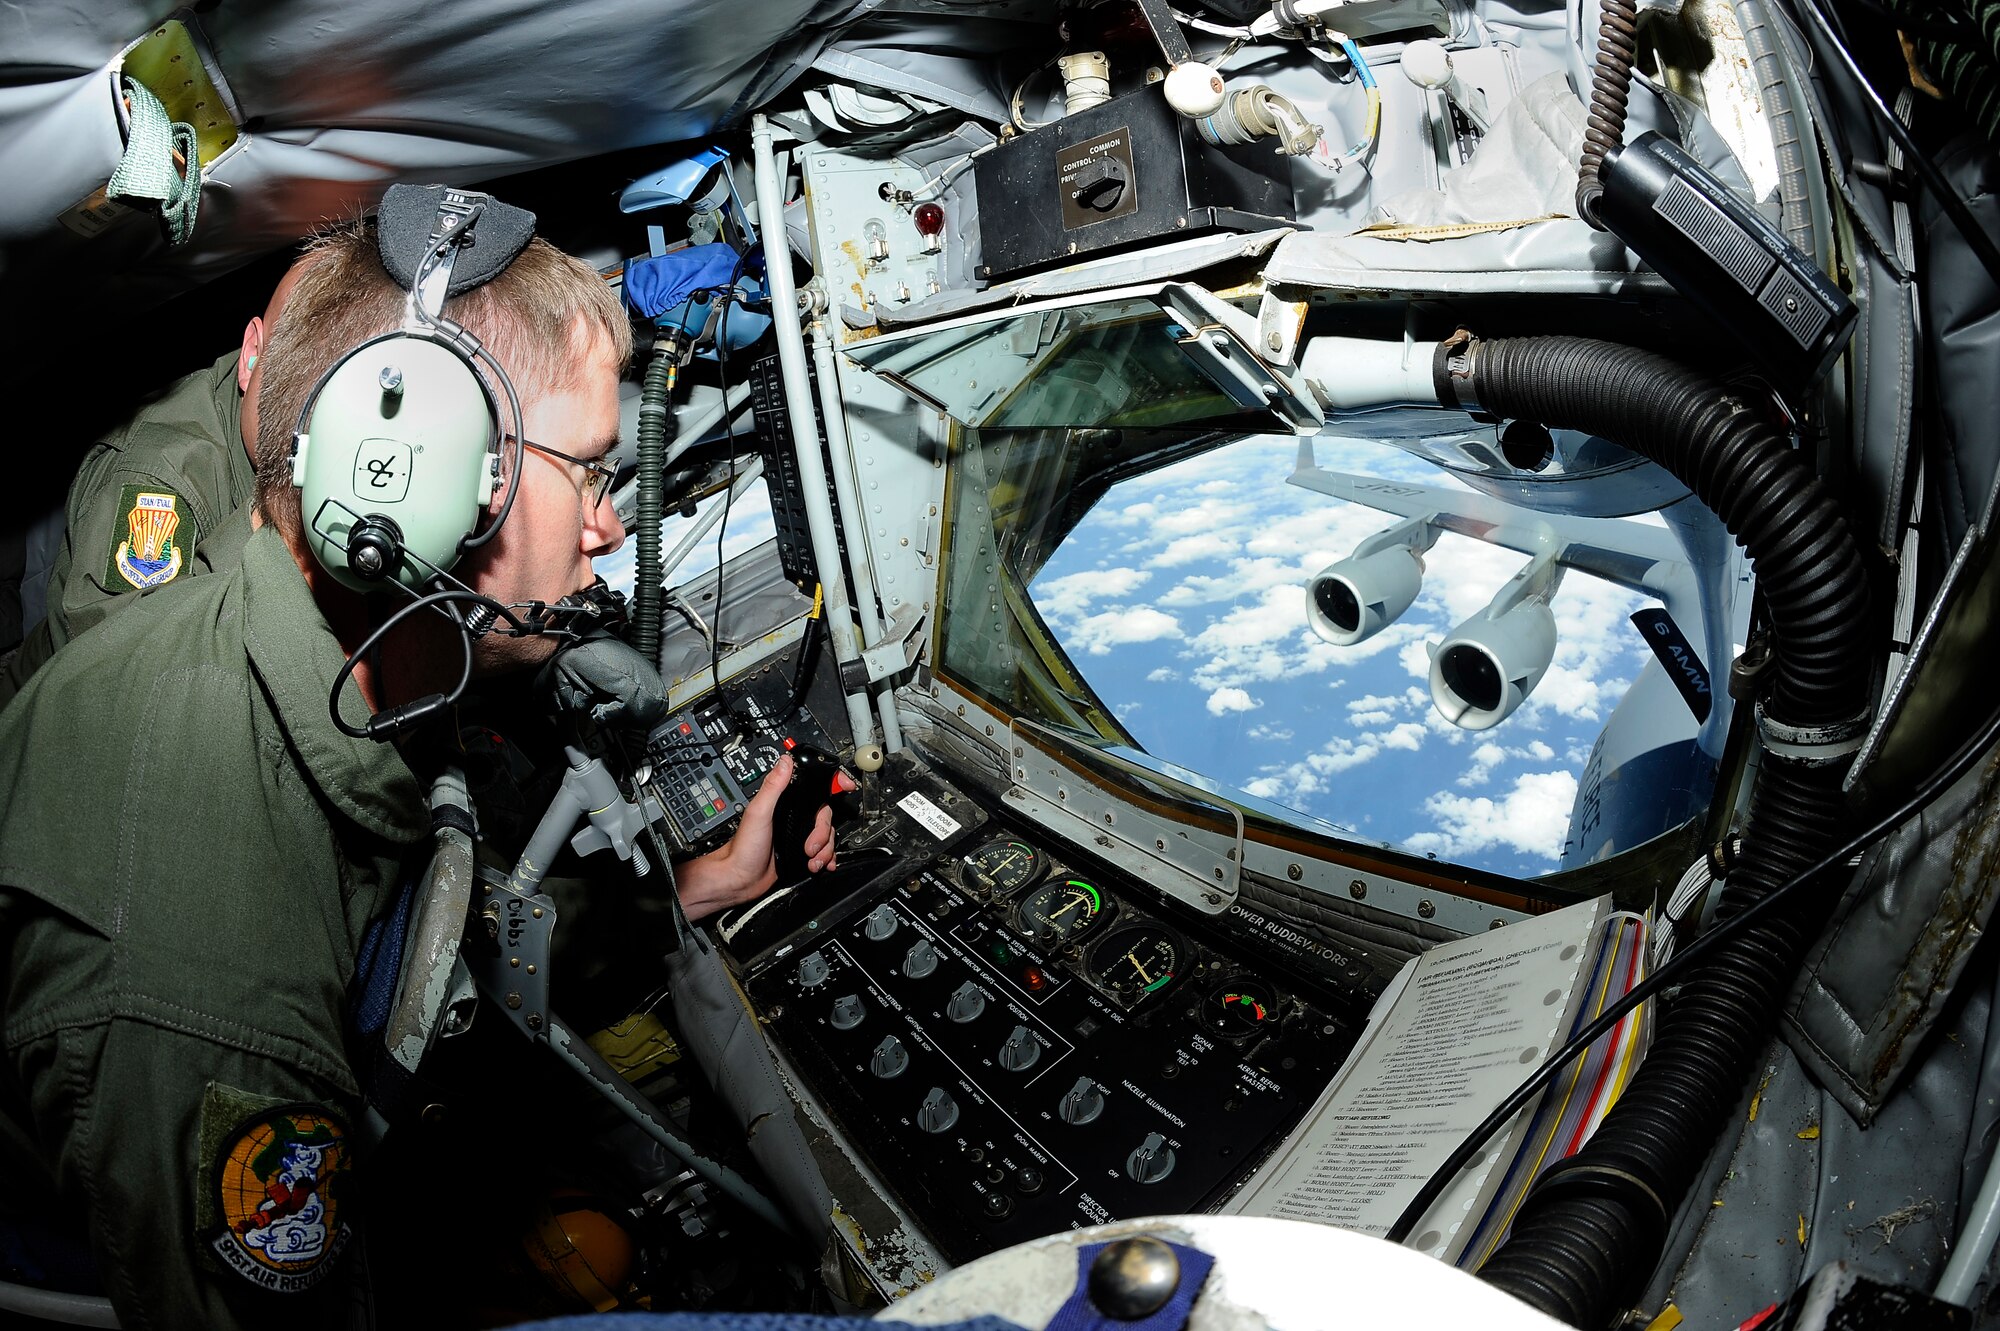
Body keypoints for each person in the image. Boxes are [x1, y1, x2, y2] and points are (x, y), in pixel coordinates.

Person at [0, 206, 835, 1329]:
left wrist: (692, 889)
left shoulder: (356, 658)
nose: (607, 529)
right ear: (416, 478)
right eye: (589, 470)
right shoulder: (201, 965)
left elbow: (443, 930)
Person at [0, 255, 313, 708]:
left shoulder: (265, 425)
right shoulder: (158, 478)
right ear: (252, 356)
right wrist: (275, 514)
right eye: (296, 380)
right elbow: (112, 689)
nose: (308, 421)